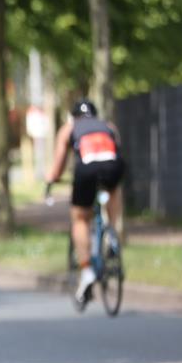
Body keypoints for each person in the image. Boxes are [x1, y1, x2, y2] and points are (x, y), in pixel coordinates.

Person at [45, 99, 125, 303]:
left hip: (86, 169)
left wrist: (51, 180)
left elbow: (58, 165)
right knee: (113, 189)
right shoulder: (108, 126)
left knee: (80, 217)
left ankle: (86, 269)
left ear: (73, 116)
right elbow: (117, 150)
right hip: (112, 165)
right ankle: (112, 233)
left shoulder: (69, 128)